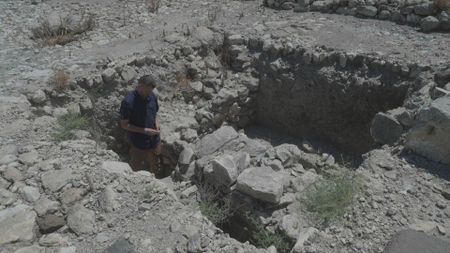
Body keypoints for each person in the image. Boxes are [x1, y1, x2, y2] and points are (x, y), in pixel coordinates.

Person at [119, 75, 161, 173]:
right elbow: (124, 125)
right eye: (146, 91)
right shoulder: (128, 102)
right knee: (135, 165)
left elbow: (155, 114)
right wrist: (144, 131)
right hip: (138, 142)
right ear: (140, 86)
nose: (148, 94)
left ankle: (154, 179)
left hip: (154, 138)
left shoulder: (152, 96)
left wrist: (157, 123)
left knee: (155, 162)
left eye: (150, 91)